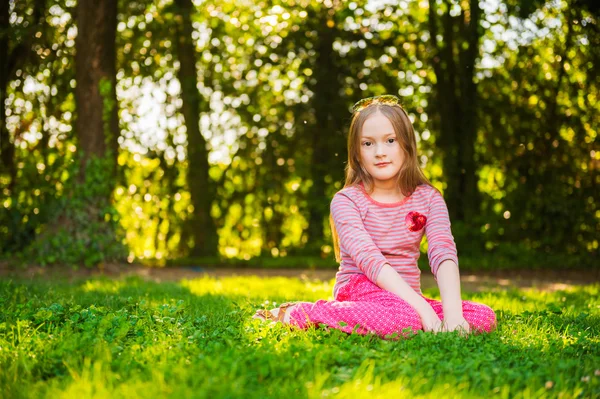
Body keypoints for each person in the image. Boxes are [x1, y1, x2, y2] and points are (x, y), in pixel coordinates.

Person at [252, 95, 496, 338]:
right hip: (359, 289)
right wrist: (423, 310)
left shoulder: (429, 198)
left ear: (407, 145)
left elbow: (443, 252)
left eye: (390, 140)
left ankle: (414, 315)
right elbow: (370, 260)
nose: (380, 152)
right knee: (403, 320)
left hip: (407, 297)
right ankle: (299, 312)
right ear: (356, 153)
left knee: (482, 316)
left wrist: (454, 316)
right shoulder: (346, 201)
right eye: (368, 144)